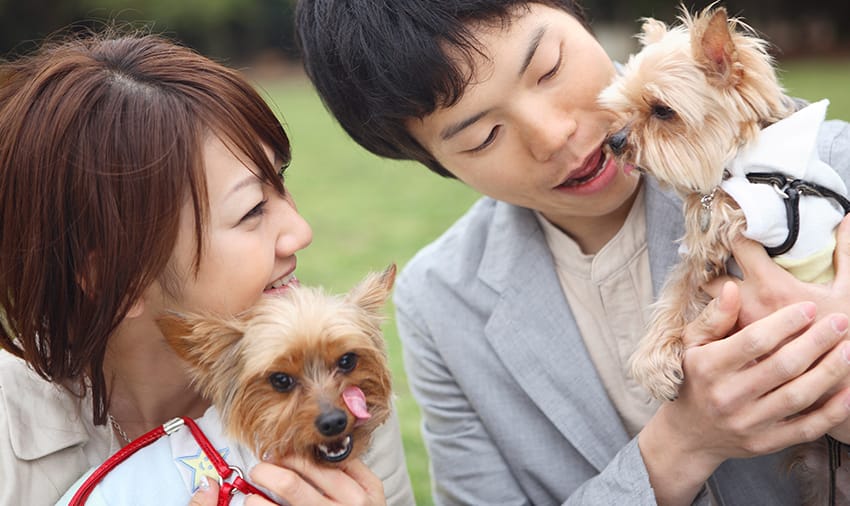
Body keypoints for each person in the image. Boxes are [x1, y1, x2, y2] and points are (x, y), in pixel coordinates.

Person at [295, 1, 850, 504]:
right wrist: (679, 446)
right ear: (436, 164)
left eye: (549, 68)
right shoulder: (440, 303)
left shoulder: (826, 163)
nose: (554, 135)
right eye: (483, 137)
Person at [0, 28, 413, 506]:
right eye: (252, 209)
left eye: (281, 181)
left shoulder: (340, 385)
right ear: (121, 278)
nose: (300, 230)